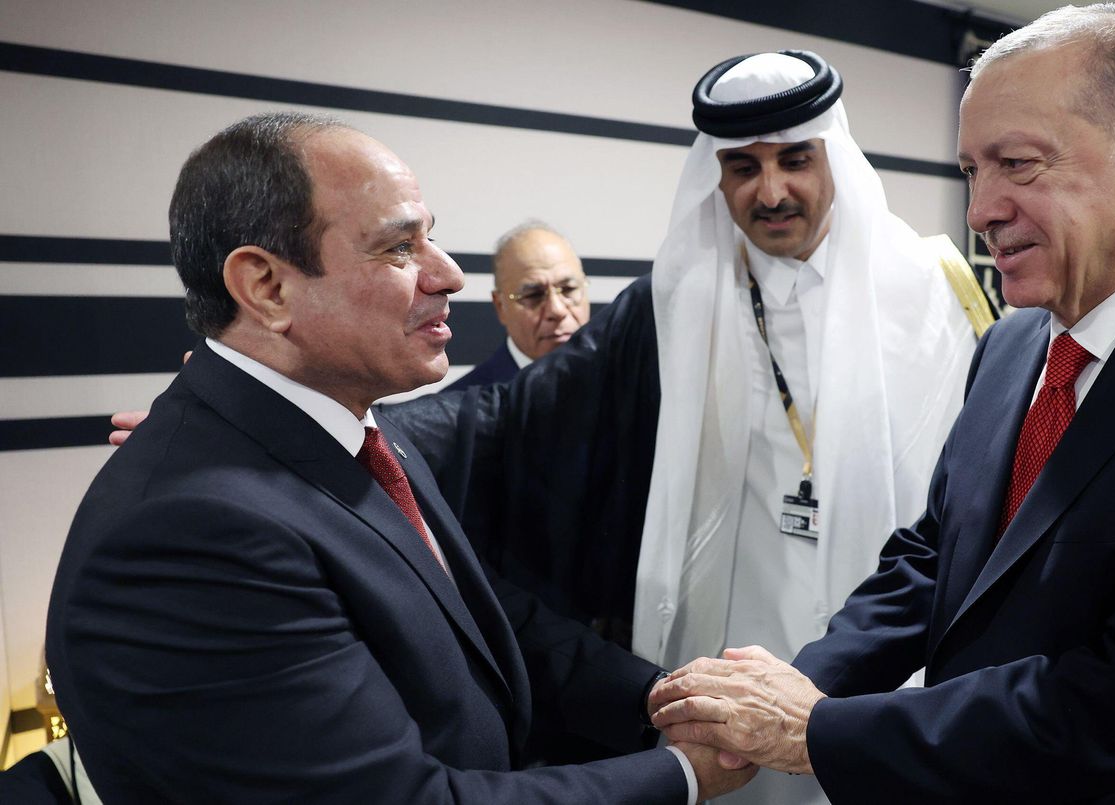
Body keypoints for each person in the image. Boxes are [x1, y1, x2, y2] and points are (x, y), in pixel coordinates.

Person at [648, 5, 1115, 803]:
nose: (980, 211)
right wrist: (790, 685)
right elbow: (937, 559)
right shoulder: (1012, 343)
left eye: (1019, 164)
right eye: (972, 170)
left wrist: (815, 730)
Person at [48, 112, 751, 803]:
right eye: (398, 248)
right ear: (266, 287)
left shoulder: (352, 426)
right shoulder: (193, 530)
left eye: (432, 238)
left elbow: (459, 614)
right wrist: (682, 774)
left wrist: (663, 695)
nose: (447, 275)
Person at [376, 49, 986, 804]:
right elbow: (512, 416)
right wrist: (356, 422)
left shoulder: (932, 292)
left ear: (834, 153)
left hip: (882, 643)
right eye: (742, 168)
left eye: (795, 159)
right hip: (727, 639)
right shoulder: (672, 303)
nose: (771, 190)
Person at [446, 221, 591, 390]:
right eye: (534, 295)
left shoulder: (624, 382)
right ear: (500, 306)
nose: (557, 310)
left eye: (568, 289)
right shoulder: (461, 409)